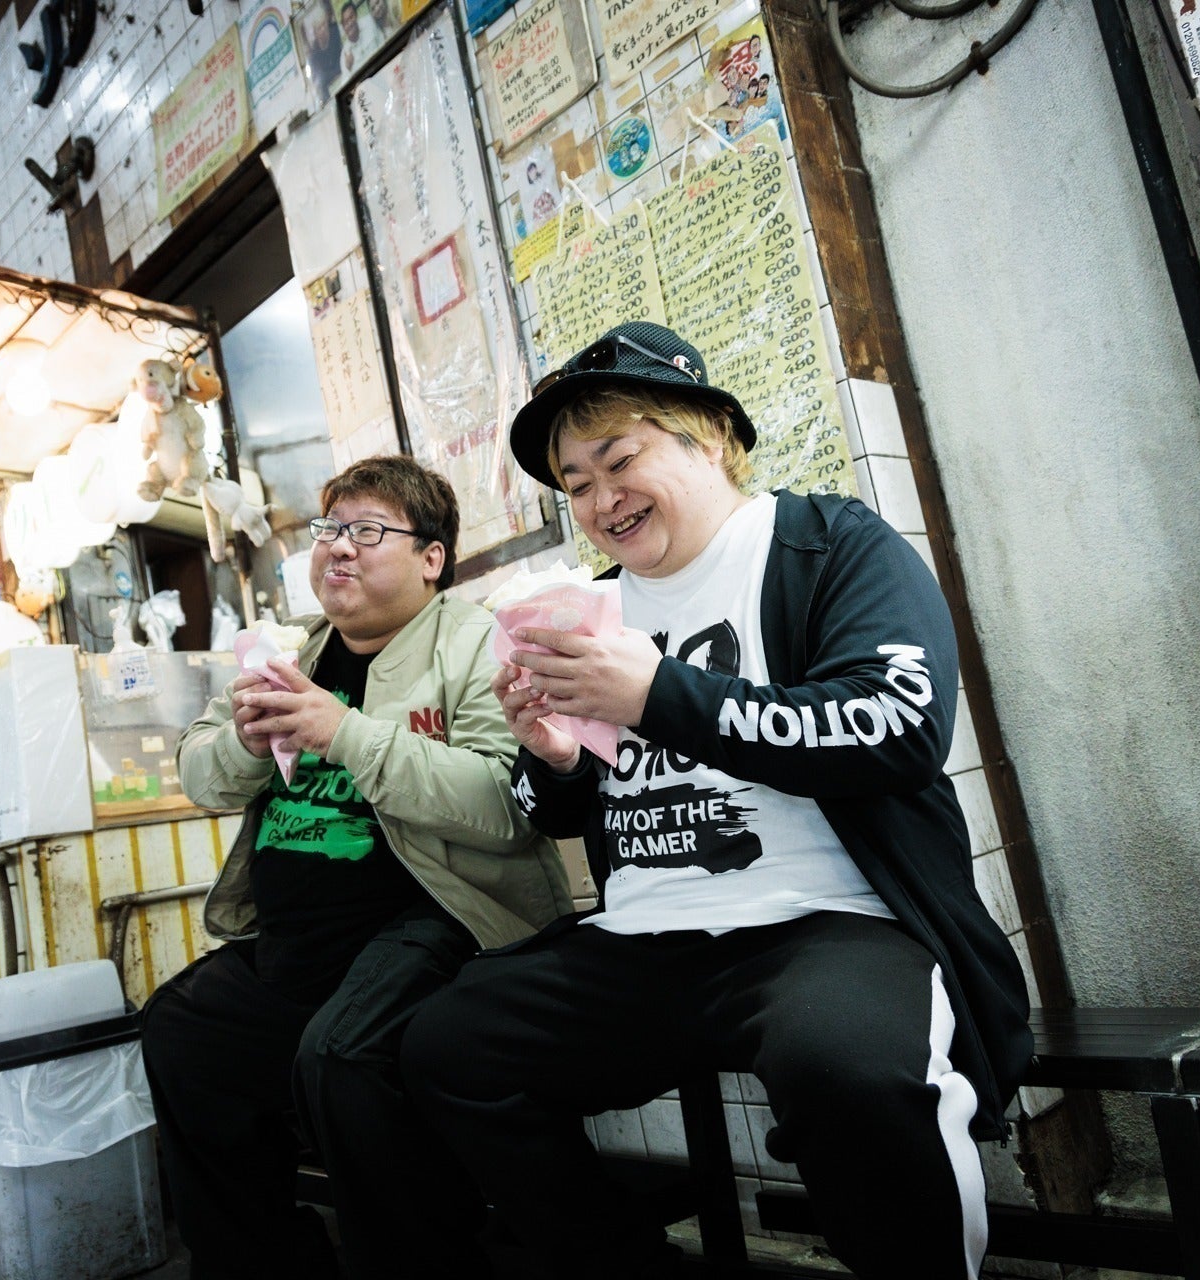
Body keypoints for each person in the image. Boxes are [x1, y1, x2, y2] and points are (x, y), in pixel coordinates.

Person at [401, 322, 1031, 1279]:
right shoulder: (595, 606)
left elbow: (899, 727)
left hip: (829, 923)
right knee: (449, 1048)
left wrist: (657, 693)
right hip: (644, 938)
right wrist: (553, 759)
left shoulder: (823, 544)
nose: (601, 500)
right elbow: (551, 810)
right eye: (576, 483)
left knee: (850, 1069)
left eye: (620, 461)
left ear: (708, 438)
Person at [142, 455, 572, 1280]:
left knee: (342, 1056)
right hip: (298, 943)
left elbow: (504, 803)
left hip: (438, 926)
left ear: (431, 557)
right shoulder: (291, 652)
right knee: (181, 1030)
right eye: (329, 528)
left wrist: (344, 733)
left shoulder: (477, 642)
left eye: (367, 531)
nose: (338, 546)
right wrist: (243, 740)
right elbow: (200, 775)